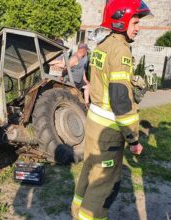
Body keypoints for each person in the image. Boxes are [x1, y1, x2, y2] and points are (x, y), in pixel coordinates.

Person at [71, 1, 152, 219]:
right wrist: (133, 139)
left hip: (94, 123)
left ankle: (76, 211)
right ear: (121, 20)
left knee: (89, 171)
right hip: (108, 131)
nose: (138, 27)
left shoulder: (103, 44)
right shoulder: (121, 50)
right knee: (103, 183)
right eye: (135, 22)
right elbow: (120, 101)